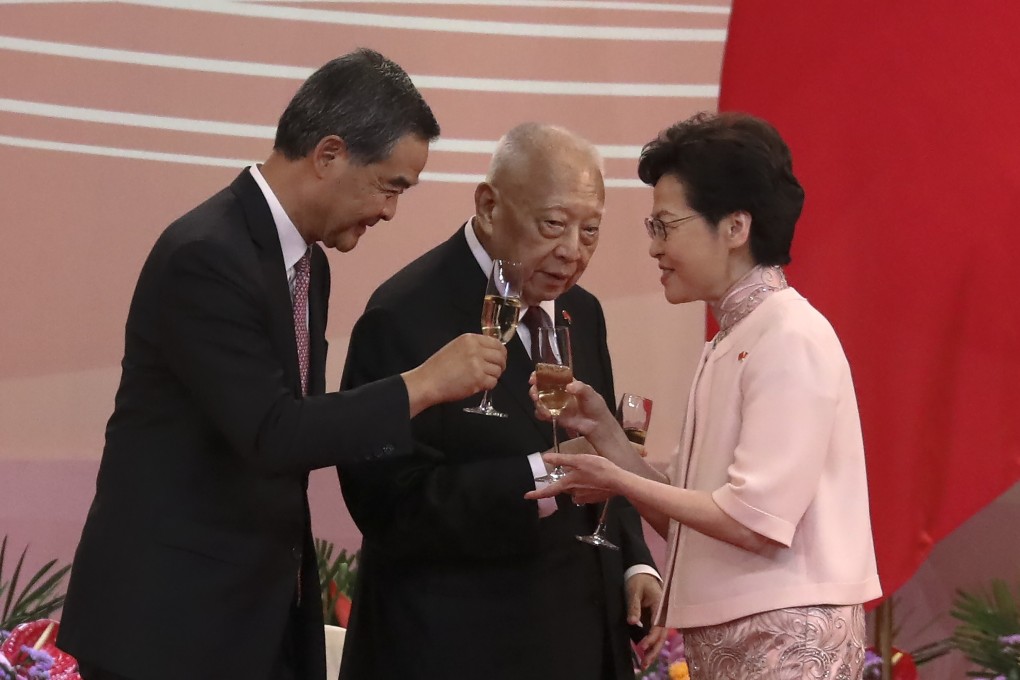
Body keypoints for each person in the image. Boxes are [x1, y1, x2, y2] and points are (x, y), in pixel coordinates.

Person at [56, 49, 507, 680]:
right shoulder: (207, 255)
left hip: (254, 619)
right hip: (169, 627)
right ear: (328, 155)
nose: (389, 211)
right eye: (390, 186)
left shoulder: (306, 263)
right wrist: (420, 385)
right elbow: (272, 431)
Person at [527, 112, 882, 678]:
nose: (654, 248)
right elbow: (695, 522)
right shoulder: (735, 338)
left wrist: (615, 478)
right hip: (739, 635)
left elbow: (752, 521)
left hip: (784, 640)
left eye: (666, 226)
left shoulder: (789, 336)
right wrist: (606, 435)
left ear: (736, 227)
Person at [337, 123, 663, 680]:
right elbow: (387, 505)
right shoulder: (404, 315)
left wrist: (635, 560)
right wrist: (540, 474)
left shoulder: (581, 312)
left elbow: (601, 451)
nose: (572, 251)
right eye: (554, 225)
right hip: (460, 649)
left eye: (590, 231)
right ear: (488, 206)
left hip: (581, 641)